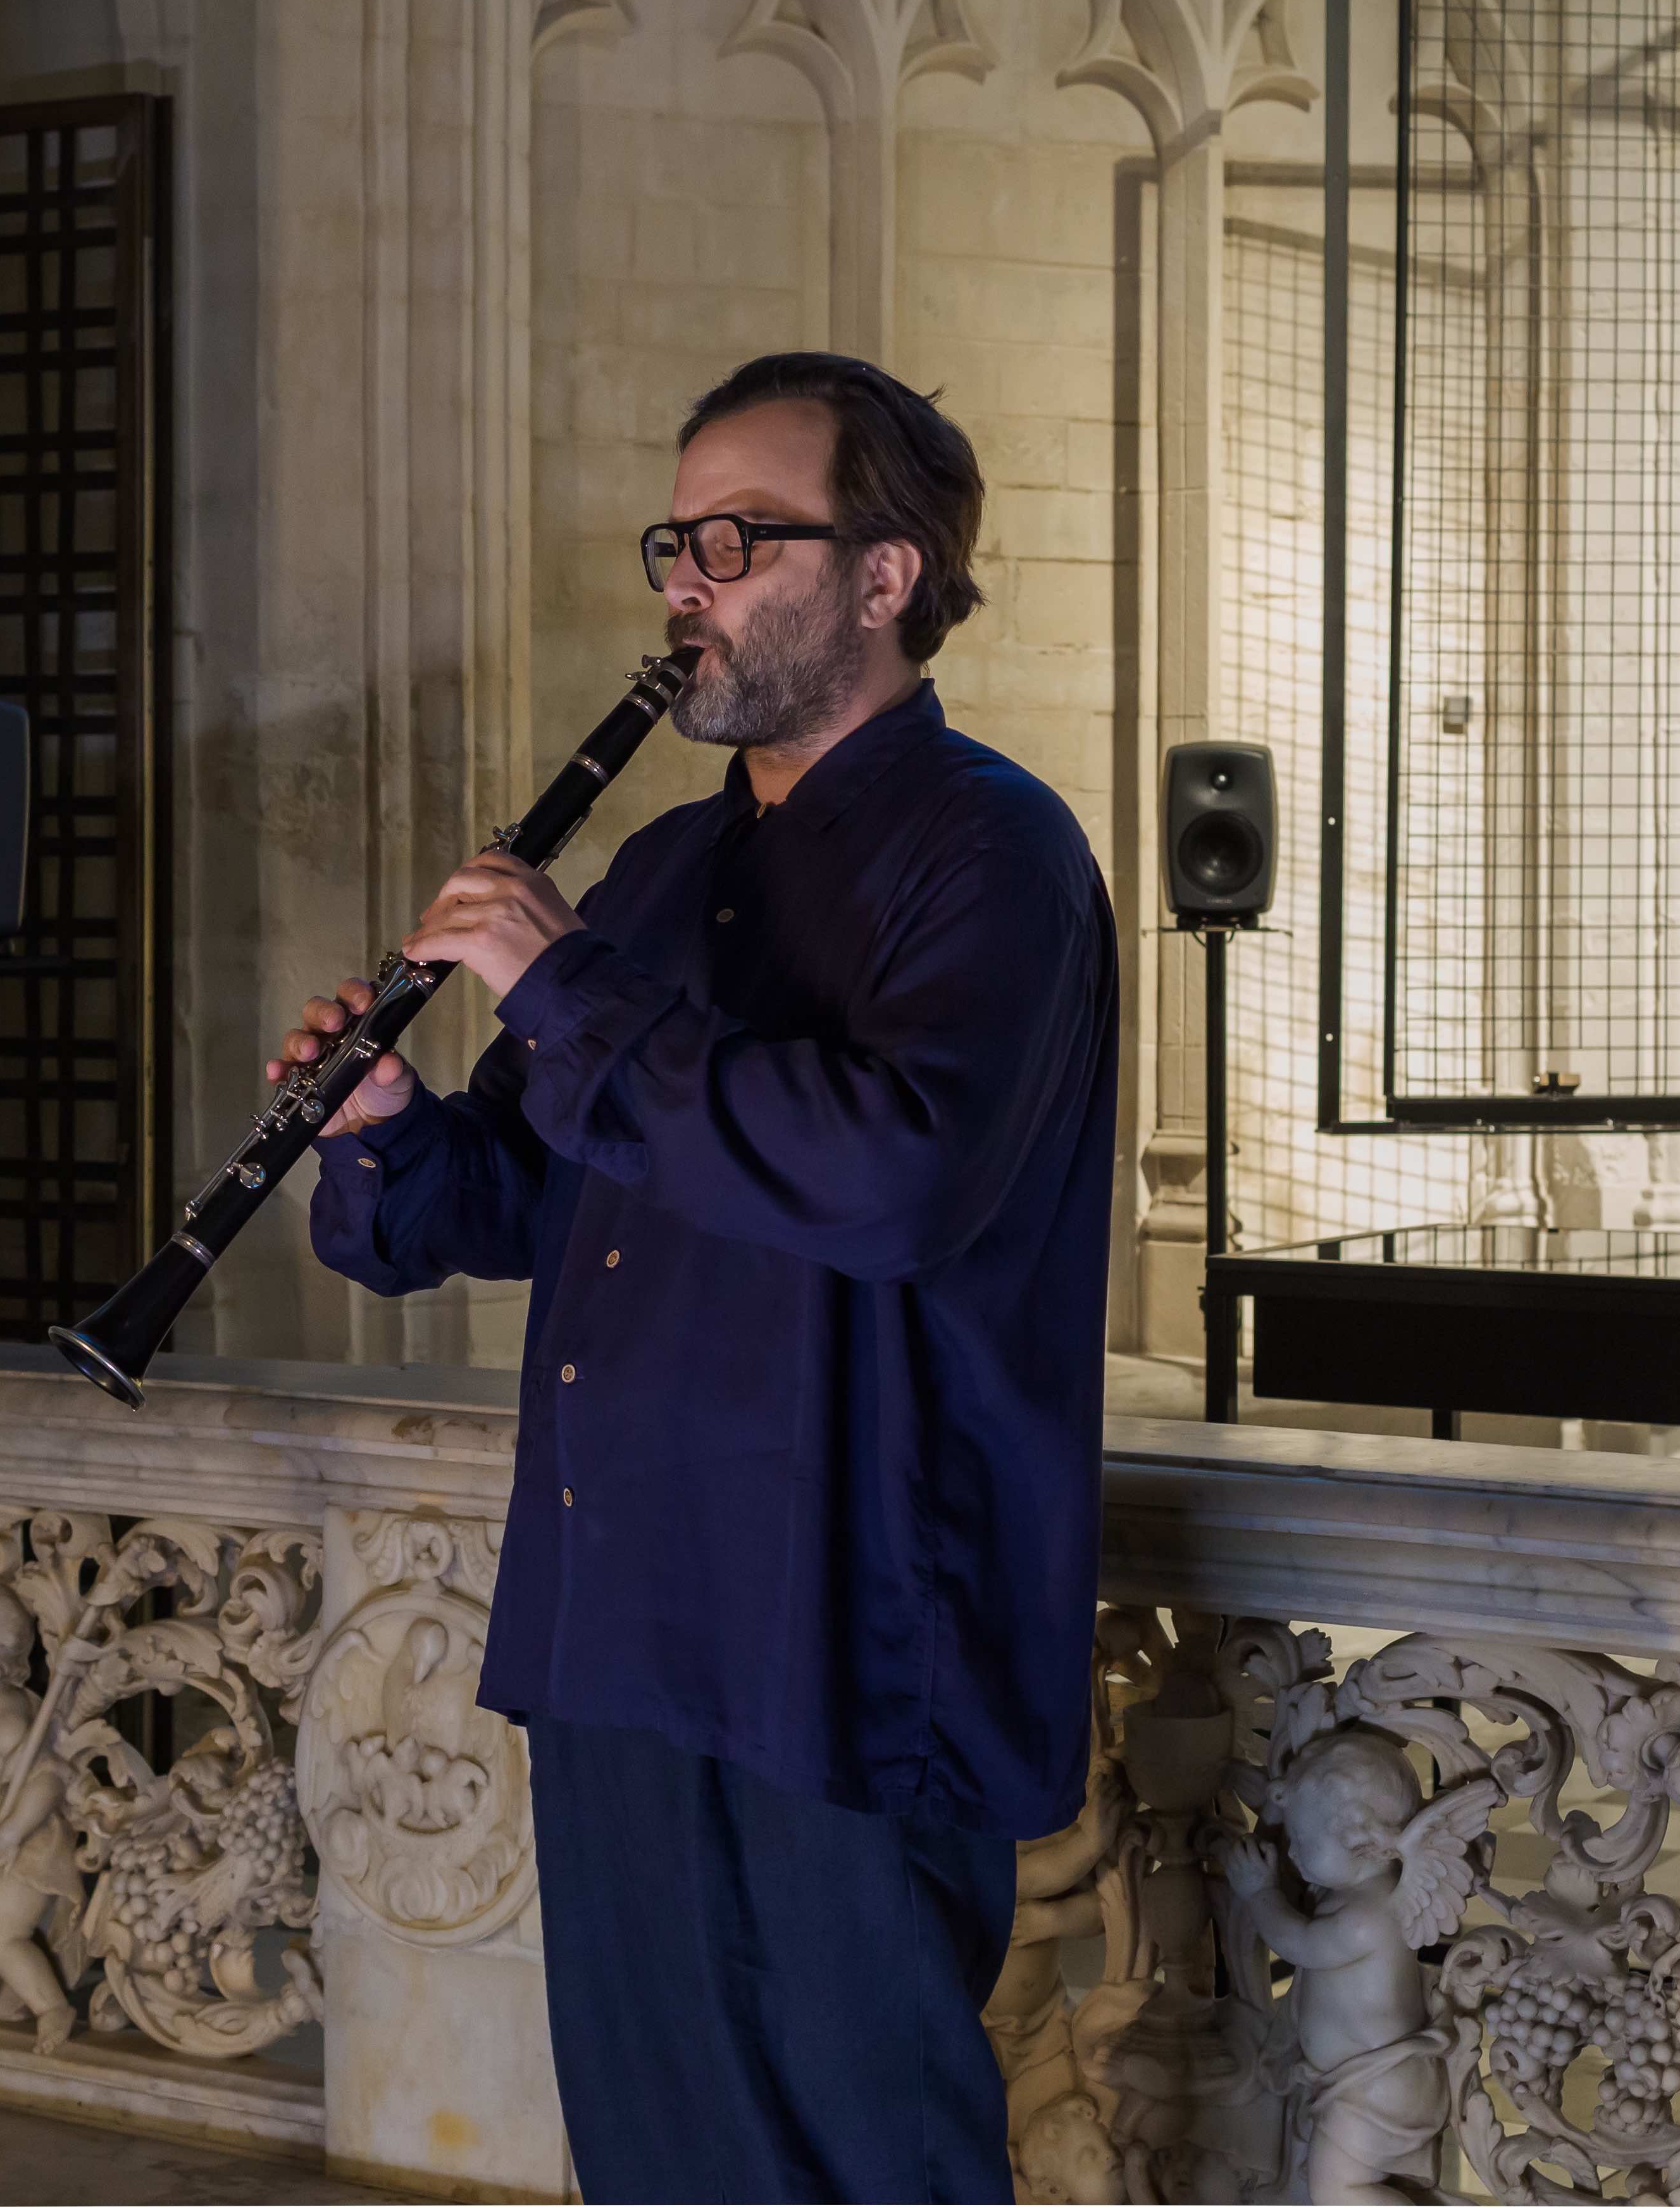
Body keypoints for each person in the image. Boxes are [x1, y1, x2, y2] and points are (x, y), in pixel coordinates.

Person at [290, 352, 1118, 2201]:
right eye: (677, 542)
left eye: (739, 540)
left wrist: (564, 985)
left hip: (843, 1624)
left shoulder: (994, 851)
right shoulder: (660, 868)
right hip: (623, 1621)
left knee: (860, 2158)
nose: (689, 581)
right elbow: (526, 1191)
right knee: (659, 2162)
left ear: (883, 575)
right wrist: (375, 1127)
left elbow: (892, 1175)